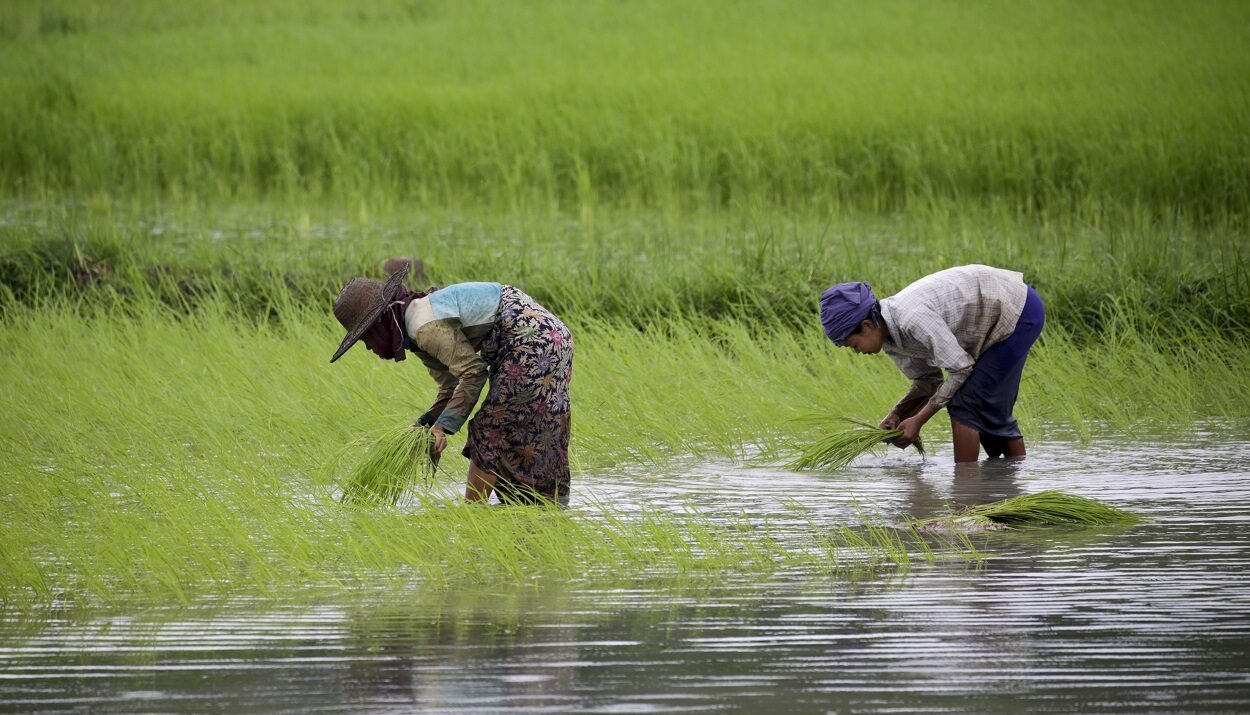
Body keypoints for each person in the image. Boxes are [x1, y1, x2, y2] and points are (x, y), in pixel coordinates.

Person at [329, 262, 573, 505]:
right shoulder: (414, 327)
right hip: (553, 337)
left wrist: (442, 428)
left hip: (530, 340)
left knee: (489, 430)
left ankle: (473, 514)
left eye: (366, 337)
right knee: (535, 429)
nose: (369, 347)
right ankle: (547, 505)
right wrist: (424, 425)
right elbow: (451, 386)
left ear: (381, 322)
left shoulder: (423, 327)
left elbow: (473, 374)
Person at [818, 264, 1044, 463]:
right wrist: (898, 414)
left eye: (853, 345)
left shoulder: (912, 318)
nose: (857, 352)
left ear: (867, 326)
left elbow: (961, 368)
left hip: (1017, 311)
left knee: (965, 407)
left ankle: (964, 496)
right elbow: (929, 381)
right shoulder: (889, 338)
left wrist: (918, 420)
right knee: (988, 413)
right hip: (994, 322)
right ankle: (1010, 482)